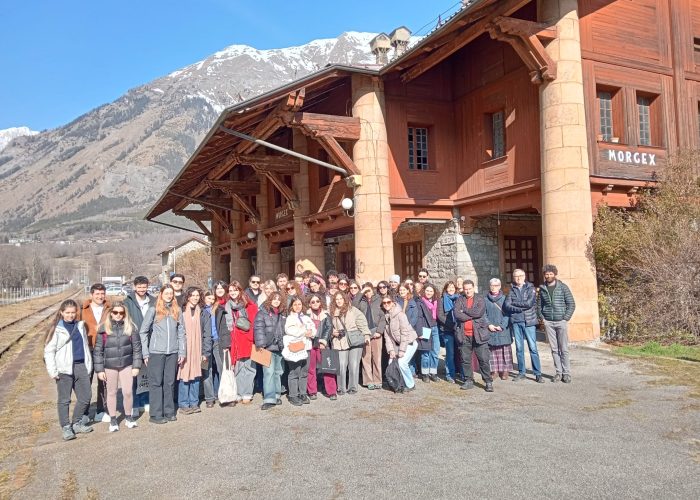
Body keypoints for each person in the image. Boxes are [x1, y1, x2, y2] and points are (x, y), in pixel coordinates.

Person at [44, 299, 94, 441]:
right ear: (62, 313)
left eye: (73, 312)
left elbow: (84, 346)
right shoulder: (56, 329)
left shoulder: (80, 326)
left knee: (85, 397)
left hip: (80, 366)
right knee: (64, 400)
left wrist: (88, 365)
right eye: (68, 313)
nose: (71, 315)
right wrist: (53, 371)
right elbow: (49, 351)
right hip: (64, 368)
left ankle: (77, 422)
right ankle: (66, 427)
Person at [139, 285, 186, 424]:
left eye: (171, 293)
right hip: (156, 353)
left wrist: (182, 351)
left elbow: (181, 332)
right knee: (156, 383)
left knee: (170, 382)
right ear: (161, 294)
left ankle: (169, 411)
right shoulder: (153, 310)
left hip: (172, 352)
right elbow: (143, 331)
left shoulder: (177, 311)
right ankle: (156, 414)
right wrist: (145, 353)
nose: (169, 295)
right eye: (166, 293)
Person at [94, 303, 142, 432]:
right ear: (111, 313)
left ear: (125, 314)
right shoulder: (103, 329)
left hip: (127, 364)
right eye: (115, 312)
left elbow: (137, 349)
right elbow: (98, 351)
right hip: (109, 366)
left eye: (121, 313)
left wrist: (136, 366)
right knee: (111, 392)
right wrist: (99, 370)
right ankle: (113, 419)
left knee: (127, 392)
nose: (118, 315)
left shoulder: (131, 328)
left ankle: (128, 417)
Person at [504, 269, 544, 383]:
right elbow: (507, 305)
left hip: (529, 321)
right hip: (517, 321)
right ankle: (521, 372)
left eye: (520, 276)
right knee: (519, 348)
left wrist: (515, 304)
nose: (518, 278)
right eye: (515, 276)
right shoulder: (511, 289)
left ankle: (538, 373)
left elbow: (529, 303)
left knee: (533, 348)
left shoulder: (530, 288)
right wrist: (519, 308)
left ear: (524, 276)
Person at [538, 264, 576, 383]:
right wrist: (542, 318)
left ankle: (566, 373)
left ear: (555, 274)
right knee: (554, 349)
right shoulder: (542, 289)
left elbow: (571, 304)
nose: (549, 276)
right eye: (547, 274)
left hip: (561, 321)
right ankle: (558, 373)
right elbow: (539, 305)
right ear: (544, 275)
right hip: (549, 322)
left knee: (563, 349)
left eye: (551, 274)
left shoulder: (563, 287)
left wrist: (565, 318)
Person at [327, 291, 370, 395]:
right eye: (336, 299)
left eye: (341, 299)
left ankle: (352, 386)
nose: (339, 301)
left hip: (354, 339)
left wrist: (366, 335)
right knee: (341, 365)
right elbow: (327, 327)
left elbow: (362, 323)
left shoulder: (353, 310)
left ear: (345, 299)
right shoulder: (331, 312)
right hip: (340, 341)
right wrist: (332, 332)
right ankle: (341, 387)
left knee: (353, 364)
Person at [454, 280, 494, 392]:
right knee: (465, 360)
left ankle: (488, 381)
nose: (468, 291)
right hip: (464, 334)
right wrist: (470, 315)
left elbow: (478, 313)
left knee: (483, 359)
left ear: (473, 288)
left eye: (469, 288)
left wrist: (465, 310)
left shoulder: (480, 298)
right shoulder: (459, 299)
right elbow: (457, 314)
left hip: (479, 334)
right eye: (465, 289)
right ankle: (468, 380)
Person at [123, 275, 155, 416]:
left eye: (144, 286)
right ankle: (135, 404)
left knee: (148, 372)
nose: (142, 289)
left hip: (150, 340)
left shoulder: (153, 301)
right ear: (135, 287)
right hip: (134, 341)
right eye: (139, 286)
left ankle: (146, 400)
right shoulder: (127, 303)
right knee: (134, 373)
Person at [178, 287, 212, 414]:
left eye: (197, 295)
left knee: (196, 375)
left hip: (198, 349)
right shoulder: (180, 312)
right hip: (184, 349)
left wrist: (205, 352)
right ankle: (183, 404)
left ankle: (194, 402)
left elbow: (207, 335)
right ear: (187, 296)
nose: (195, 297)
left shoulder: (204, 313)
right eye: (192, 295)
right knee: (184, 375)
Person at [79, 283, 110, 423]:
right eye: (97, 294)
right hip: (88, 349)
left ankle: (101, 410)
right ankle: (84, 413)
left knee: (103, 381)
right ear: (91, 295)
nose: (100, 296)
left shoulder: (110, 309)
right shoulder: (82, 310)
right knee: (86, 381)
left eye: (102, 293)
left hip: (105, 348)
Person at [225, 281, 259, 404]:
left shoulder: (249, 305)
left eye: (235, 290)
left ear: (240, 290)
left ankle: (247, 393)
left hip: (248, 339)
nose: (233, 292)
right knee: (238, 368)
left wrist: (254, 339)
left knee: (249, 368)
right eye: (231, 291)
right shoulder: (227, 306)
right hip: (235, 341)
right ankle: (239, 392)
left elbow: (255, 324)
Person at [254, 292, 286, 410]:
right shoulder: (262, 313)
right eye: (274, 299)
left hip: (280, 347)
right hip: (267, 347)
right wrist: (261, 344)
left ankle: (277, 395)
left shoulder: (283, 314)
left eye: (278, 299)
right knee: (268, 372)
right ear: (270, 300)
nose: (276, 301)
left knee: (278, 372)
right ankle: (269, 398)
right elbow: (258, 328)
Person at [283, 297, 316, 406]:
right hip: (296, 348)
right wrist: (303, 331)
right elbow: (289, 330)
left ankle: (302, 393)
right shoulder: (290, 318)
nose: (298, 306)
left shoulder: (306, 317)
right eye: (295, 304)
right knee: (294, 372)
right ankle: (293, 394)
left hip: (306, 347)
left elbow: (313, 327)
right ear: (291, 306)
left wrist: (312, 333)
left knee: (304, 371)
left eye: (299, 304)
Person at [381, 295, 418, 391]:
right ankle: (397, 383)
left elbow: (405, 333)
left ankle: (410, 385)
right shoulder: (386, 316)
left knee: (402, 363)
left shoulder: (401, 315)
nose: (386, 304)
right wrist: (391, 350)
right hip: (397, 344)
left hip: (409, 342)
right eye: (384, 303)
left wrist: (401, 350)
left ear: (393, 303)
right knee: (391, 362)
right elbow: (387, 337)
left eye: (388, 302)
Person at [306, 293, 337, 400]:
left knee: (328, 368)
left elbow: (329, 328)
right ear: (309, 304)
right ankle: (312, 391)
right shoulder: (306, 315)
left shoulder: (326, 315)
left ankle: (332, 391)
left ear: (321, 302)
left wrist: (323, 341)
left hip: (323, 345)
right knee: (311, 368)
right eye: (313, 302)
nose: (315, 303)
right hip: (310, 344)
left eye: (317, 301)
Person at [356, 282, 383, 390]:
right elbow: (353, 306)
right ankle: (368, 381)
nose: (367, 293)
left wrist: (379, 331)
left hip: (376, 332)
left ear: (373, 290)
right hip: (365, 333)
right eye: (365, 291)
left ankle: (377, 380)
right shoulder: (360, 301)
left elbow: (383, 317)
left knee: (377, 358)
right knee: (366, 358)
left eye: (369, 290)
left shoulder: (378, 300)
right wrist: (361, 292)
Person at [485, 278, 513, 381]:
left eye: (496, 285)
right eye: (492, 285)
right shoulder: (485, 299)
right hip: (491, 328)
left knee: (504, 350)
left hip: (503, 328)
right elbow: (484, 314)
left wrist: (502, 325)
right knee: (492, 351)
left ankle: (505, 370)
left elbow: (508, 314)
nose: (494, 287)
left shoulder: (505, 299)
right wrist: (489, 325)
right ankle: (494, 370)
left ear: (500, 286)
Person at [202, 290, 225, 407]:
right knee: (207, 369)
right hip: (205, 342)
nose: (211, 301)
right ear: (204, 298)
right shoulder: (200, 310)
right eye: (208, 298)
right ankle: (209, 397)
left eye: (213, 299)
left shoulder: (219, 309)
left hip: (216, 341)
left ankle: (223, 394)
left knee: (221, 368)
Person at [438, 281, 463, 383]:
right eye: (449, 287)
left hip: (460, 330)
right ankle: (450, 375)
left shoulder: (459, 299)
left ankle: (463, 374)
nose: (451, 289)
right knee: (450, 354)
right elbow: (440, 316)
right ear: (445, 289)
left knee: (461, 353)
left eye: (453, 287)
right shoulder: (442, 300)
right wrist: (452, 325)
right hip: (448, 330)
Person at [415, 284, 440, 382]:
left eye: (431, 291)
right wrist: (420, 331)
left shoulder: (435, 302)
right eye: (427, 291)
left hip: (434, 327)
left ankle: (433, 372)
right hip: (425, 327)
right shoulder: (420, 302)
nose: (429, 293)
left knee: (435, 351)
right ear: (424, 291)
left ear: (434, 292)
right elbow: (419, 317)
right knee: (425, 352)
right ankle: (425, 373)